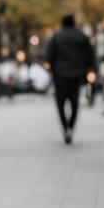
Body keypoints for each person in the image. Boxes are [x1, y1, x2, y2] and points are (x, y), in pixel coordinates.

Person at [43, 14, 95, 144]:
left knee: (60, 103)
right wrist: (89, 70)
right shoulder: (82, 36)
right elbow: (90, 56)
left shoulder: (56, 36)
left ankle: (65, 127)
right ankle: (71, 126)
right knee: (74, 102)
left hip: (59, 75)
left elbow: (49, 56)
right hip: (77, 74)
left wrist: (50, 68)